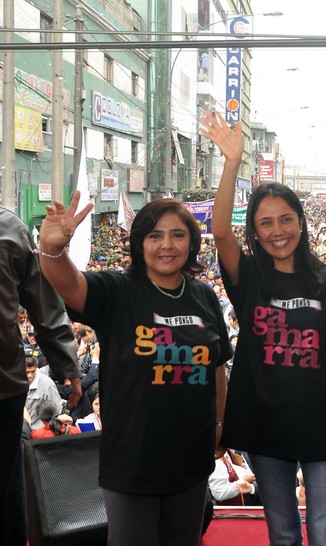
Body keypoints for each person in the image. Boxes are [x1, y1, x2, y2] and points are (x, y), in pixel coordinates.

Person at [202, 110, 326, 546]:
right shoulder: (247, 277)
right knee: (284, 533)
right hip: (264, 422)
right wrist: (233, 162)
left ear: (302, 222)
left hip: (322, 422)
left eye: (286, 219)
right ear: (254, 230)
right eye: (265, 223)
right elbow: (219, 233)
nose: (277, 231)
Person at [38, 194, 232, 546]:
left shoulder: (205, 296)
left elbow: (217, 364)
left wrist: (219, 424)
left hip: (191, 455)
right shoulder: (117, 291)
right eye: (155, 236)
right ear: (139, 242)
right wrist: (51, 250)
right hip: (132, 458)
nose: (167, 245)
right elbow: (68, 284)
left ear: (191, 242)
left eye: (177, 235)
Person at [0, 207, 82, 546]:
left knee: (6, 486)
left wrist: (67, 364)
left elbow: (43, 303)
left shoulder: (9, 229)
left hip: (4, 387)